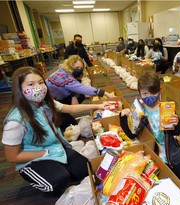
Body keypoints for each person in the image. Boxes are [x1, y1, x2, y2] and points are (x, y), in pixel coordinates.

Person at [1, 66, 108, 194]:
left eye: (41, 82)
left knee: (84, 169)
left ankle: (58, 167)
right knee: (57, 181)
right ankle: (39, 175)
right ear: (19, 89)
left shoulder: (45, 104)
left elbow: (70, 109)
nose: (38, 87)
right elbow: (12, 156)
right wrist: (44, 153)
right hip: (31, 159)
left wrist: (99, 105)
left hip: (53, 149)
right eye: (31, 84)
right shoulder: (15, 122)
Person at [119, 72, 180, 184]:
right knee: (154, 181)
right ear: (139, 92)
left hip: (170, 152)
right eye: (145, 93)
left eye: (153, 92)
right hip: (151, 153)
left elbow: (177, 132)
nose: (150, 97)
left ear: (160, 90)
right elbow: (131, 134)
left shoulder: (166, 109)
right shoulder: (139, 111)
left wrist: (177, 123)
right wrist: (123, 117)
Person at [46, 55, 114, 130]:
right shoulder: (63, 77)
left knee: (81, 96)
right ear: (71, 66)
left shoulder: (64, 71)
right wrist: (105, 93)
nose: (79, 70)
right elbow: (81, 88)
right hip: (49, 105)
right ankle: (58, 117)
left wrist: (73, 96)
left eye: (81, 68)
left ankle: (65, 112)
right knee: (71, 123)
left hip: (57, 98)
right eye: (77, 68)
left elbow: (73, 87)